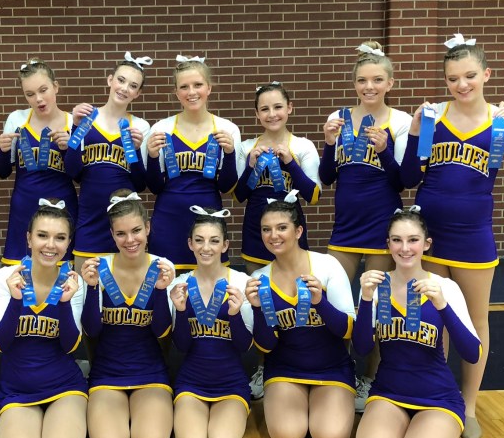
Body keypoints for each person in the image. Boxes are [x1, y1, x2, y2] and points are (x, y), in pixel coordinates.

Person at [400, 34, 504, 438]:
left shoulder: (501, 124)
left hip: (474, 237)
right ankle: (436, 397)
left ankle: (470, 404)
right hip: (429, 237)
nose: (461, 85)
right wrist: (415, 133)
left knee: (475, 320)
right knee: (434, 319)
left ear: (486, 74)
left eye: (469, 76)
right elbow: (408, 178)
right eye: (452, 79)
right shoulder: (433, 118)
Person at [352, 207, 481, 438]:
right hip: (388, 393)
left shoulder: (444, 287)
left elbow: (472, 353)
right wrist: (365, 299)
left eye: (413, 240)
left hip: (437, 397)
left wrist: (442, 306)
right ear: (388, 244)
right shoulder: (376, 285)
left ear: (426, 244)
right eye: (397, 240)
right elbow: (361, 348)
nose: (405, 248)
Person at [318, 42, 412, 411]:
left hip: (382, 228)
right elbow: (328, 177)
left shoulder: (400, 121)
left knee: (377, 308)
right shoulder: (339, 117)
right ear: (354, 83)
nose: (368, 86)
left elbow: (403, 181)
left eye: (376, 80)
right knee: (334, 304)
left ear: (390, 83)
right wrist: (329, 144)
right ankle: (337, 373)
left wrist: (385, 150)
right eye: (362, 80)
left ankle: (372, 379)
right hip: (345, 228)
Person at [244, 196, 356, 438]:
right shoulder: (259, 278)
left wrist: (321, 303)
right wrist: (258, 309)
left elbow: (348, 330)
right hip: (285, 368)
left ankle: (321, 409)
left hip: (331, 367)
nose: (273, 235)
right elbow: (266, 345)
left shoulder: (327, 265)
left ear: (298, 231)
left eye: (282, 227)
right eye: (266, 229)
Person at [0, 199, 87, 438]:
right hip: (17, 390)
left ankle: (78, 430)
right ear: (29, 238)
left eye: (60, 238)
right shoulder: (5, 278)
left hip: (63, 386)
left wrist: (65, 304)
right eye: (42, 235)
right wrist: (15, 301)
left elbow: (70, 345)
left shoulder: (72, 282)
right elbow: (0, 344)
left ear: (68, 243)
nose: (50, 245)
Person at [79, 190, 176, 438]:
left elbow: (162, 331)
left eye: (136, 231)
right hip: (107, 374)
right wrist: (91, 289)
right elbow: (91, 331)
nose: (130, 240)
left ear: (148, 228)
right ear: (112, 234)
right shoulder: (98, 267)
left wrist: (160, 291)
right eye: (121, 234)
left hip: (150, 372)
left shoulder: (162, 266)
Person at [167, 206, 253, 438]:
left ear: (225, 245)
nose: (206, 248)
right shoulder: (179, 285)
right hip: (191, 383)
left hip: (231, 384)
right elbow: (181, 346)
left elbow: (245, 346)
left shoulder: (240, 282)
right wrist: (181, 311)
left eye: (214, 241)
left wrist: (235, 315)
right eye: (200, 240)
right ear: (190, 244)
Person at [144, 55, 241, 270]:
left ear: (209, 88)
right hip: (168, 220)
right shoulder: (161, 128)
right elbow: (155, 187)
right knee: (166, 282)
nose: (191, 92)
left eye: (198, 85)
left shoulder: (228, 128)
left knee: (210, 284)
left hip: (209, 222)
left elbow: (227, 187)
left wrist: (230, 153)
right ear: (176, 92)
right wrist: (152, 157)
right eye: (184, 87)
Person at [65, 53, 152, 271]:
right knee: (85, 285)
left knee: (123, 288)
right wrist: (75, 128)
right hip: (89, 221)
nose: (124, 88)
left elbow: (140, 184)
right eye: (121, 80)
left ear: (138, 93)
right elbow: (73, 172)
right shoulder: (86, 118)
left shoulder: (140, 126)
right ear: (110, 80)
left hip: (125, 227)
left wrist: (136, 150)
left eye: (133, 86)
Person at [0, 59, 77, 265]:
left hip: (62, 208)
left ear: (55, 87)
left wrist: (69, 151)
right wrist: (3, 152)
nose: (38, 99)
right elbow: (3, 172)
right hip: (24, 209)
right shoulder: (16, 119)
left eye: (43, 90)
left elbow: (79, 175)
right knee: (20, 274)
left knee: (62, 274)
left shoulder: (72, 123)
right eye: (30, 94)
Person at [235, 81, 321, 273]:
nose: (272, 114)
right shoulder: (246, 147)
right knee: (258, 287)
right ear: (257, 114)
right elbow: (238, 196)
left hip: (290, 229)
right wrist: (250, 166)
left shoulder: (303, 146)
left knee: (295, 286)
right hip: (256, 230)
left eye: (278, 107)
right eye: (265, 109)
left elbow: (314, 196)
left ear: (289, 108)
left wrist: (291, 163)